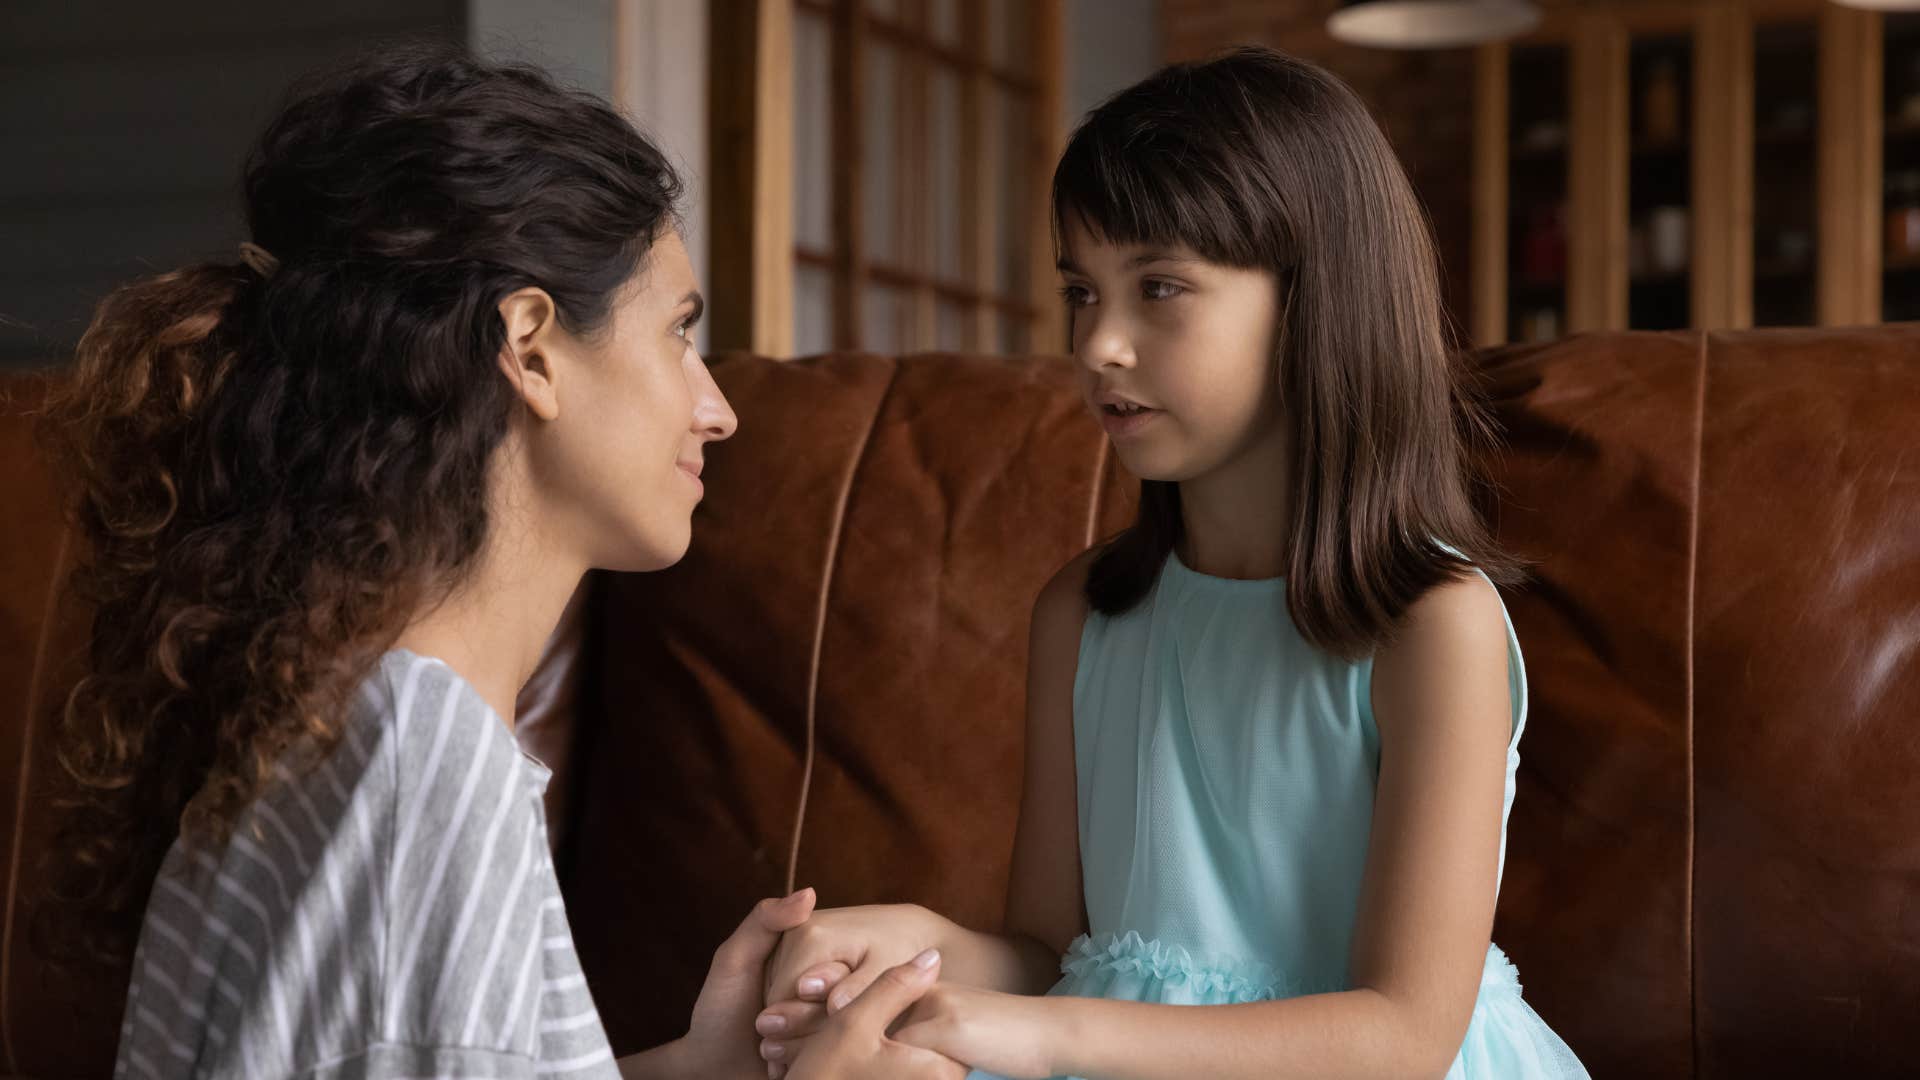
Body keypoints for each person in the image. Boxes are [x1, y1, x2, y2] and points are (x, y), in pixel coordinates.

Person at [39, 43, 960, 1080]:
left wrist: (705, 1070)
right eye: (677, 334)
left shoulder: (336, 717)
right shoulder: (428, 776)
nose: (718, 408)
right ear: (529, 349)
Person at [754, 47, 1591, 1079]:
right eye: (1080, 290)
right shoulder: (1085, 615)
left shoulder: (1431, 625)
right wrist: (917, 956)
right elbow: (1048, 954)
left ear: (1314, 303)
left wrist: (1035, 1030)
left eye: (1159, 287)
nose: (1099, 343)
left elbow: (1400, 1036)